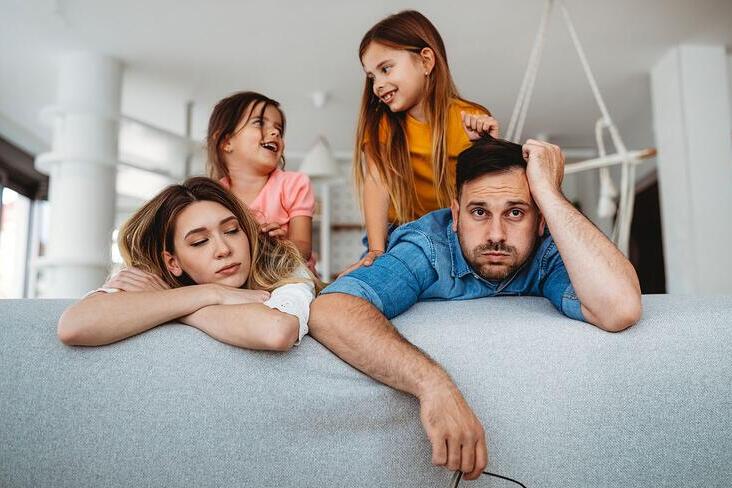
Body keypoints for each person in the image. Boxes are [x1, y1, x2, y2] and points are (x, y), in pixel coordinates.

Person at [308, 136, 642, 479]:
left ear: (540, 221)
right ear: (455, 215)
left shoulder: (546, 249)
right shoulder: (429, 245)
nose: (496, 234)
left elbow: (619, 307)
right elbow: (330, 309)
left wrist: (550, 195)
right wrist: (433, 385)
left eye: (516, 212)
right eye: (479, 212)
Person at [58, 177, 320, 351]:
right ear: (172, 262)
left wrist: (173, 304)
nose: (224, 249)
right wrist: (212, 294)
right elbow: (75, 325)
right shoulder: (149, 278)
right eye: (199, 242)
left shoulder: (282, 267)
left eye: (231, 231)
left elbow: (275, 330)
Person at [344, 10, 500, 275]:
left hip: (456, 231)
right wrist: (377, 249)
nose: (377, 85)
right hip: (398, 231)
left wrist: (490, 148)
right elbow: (376, 182)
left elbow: (490, 192)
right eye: (372, 77)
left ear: (426, 61)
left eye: (385, 69)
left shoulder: (469, 117)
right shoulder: (383, 126)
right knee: (373, 277)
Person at [207, 91, 316, 270]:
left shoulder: (294, 184)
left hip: (290, 277)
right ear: (226, 142)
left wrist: (281, 247)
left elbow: (304, 248)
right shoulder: (214, 197)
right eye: (259, 123)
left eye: (279, 129)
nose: (275, 132)